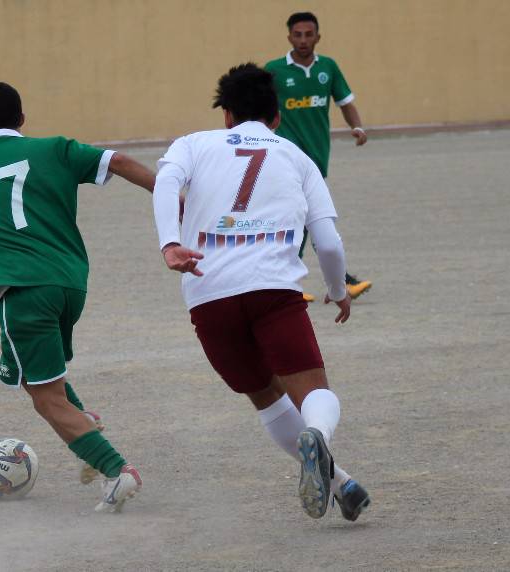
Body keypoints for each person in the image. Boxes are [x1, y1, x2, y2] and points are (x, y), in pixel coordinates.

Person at [152, 63, 370, 521]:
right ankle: (319, 436)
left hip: (208, 293)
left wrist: (171, 243)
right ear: (276, 118)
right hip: (273, 290)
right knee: (313, 394)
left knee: (265, 396)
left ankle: (341, 483)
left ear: (227, 114)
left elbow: (167, 182)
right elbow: (328, 242)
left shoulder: (193, 144)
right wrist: (337, 290)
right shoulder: (295, 156)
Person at [0, 82, 156, 513]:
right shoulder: (56, 148)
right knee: (46, 379)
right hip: (70, 286)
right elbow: (120, 161)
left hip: (23, 293)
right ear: (22, 120)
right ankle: (85, 430)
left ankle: (116, 470)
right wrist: (173, 197)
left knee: (45, 397)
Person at [265, 12, 371, 301]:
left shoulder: (328, 67)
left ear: (317, 37)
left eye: (308, 34)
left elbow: (345, 102)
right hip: (286, 161)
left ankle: (290, 282)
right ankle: (326, 282)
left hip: (317, 160)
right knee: (309, 218)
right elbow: (256, 108)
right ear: (289, 37)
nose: (302, 40)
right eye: (297, 35)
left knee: (304, 219)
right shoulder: (274, 71)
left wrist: (357, 127)